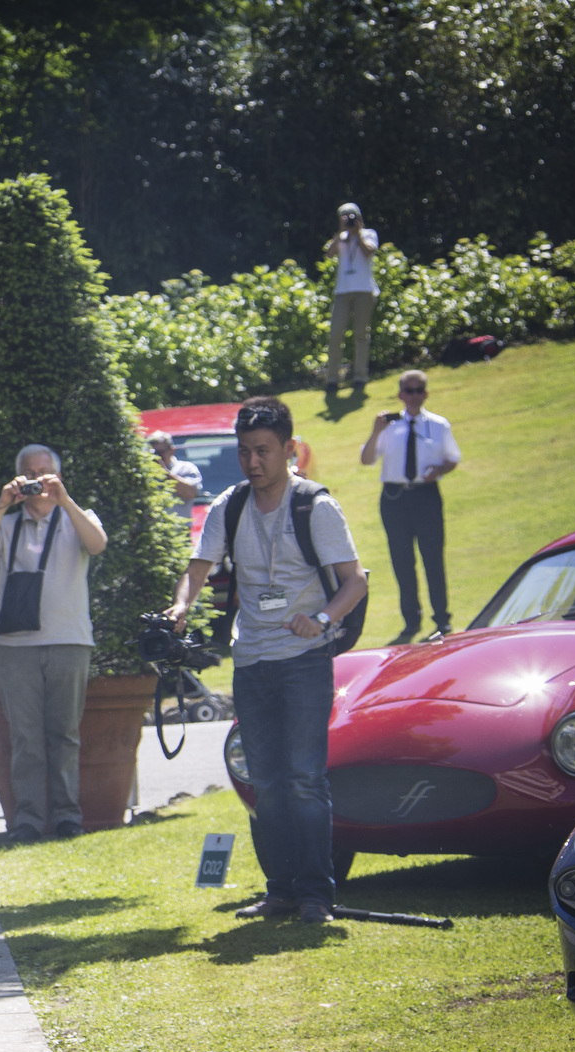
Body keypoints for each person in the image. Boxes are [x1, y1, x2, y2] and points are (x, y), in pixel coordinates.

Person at [167, 396, 367, 924]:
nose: (253, 463)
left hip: (304, 659)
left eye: (263, 451)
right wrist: (181, 605)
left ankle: (317, 896)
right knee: (266, 781)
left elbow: (355, 581)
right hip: (251, 662)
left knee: (304, 778)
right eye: (244, 452)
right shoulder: (229, 506)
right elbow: (198, 568)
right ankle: (280, 891)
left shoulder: (314, 506)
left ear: (288, 449)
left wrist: (321, 620)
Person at [0, 445, 108, 840]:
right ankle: (27, 821)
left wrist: (65, 499)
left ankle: (67, 818)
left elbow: (97, 544)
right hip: (15, 646)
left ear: (58, 477)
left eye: (44, 473)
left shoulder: (76, 518)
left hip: (69, 640)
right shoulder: (8, 524)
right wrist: (1, 503)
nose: (36, 480)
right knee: (25, 737)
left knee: (64, 734)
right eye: (28, 473)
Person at [359, 369, 461, 642]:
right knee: (402, 560)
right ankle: (411, 620)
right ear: (400, 395)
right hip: (394, 498)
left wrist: (439, 469)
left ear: (425, 394)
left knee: (433, 558)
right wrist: (375, 430)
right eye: (409, 391)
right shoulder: (389, 426)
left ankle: (442, 619)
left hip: (426, 495)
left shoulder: (439, 425)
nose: (414, 396)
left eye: (419, 391)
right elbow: (367, 459)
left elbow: (453, 458)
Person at [324, 203, 379, 391]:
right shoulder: (341, 237)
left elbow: (368, 251)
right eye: (345, 217)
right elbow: (330, 254)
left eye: (352, 216)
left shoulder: (369, 233)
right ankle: (332, 379)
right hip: (342, 292)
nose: (350, 220)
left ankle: (359, 377)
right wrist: (341, 232)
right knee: (335, 334)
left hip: (364, 290)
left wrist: (358, 232)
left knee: (361, 334)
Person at [148, 431, 201, 510]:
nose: (158, 457)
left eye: (161, 452)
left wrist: (165, 473)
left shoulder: (185, 468)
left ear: (172, 450)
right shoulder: (144, 472)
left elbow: (191, 493)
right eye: (154, 453)